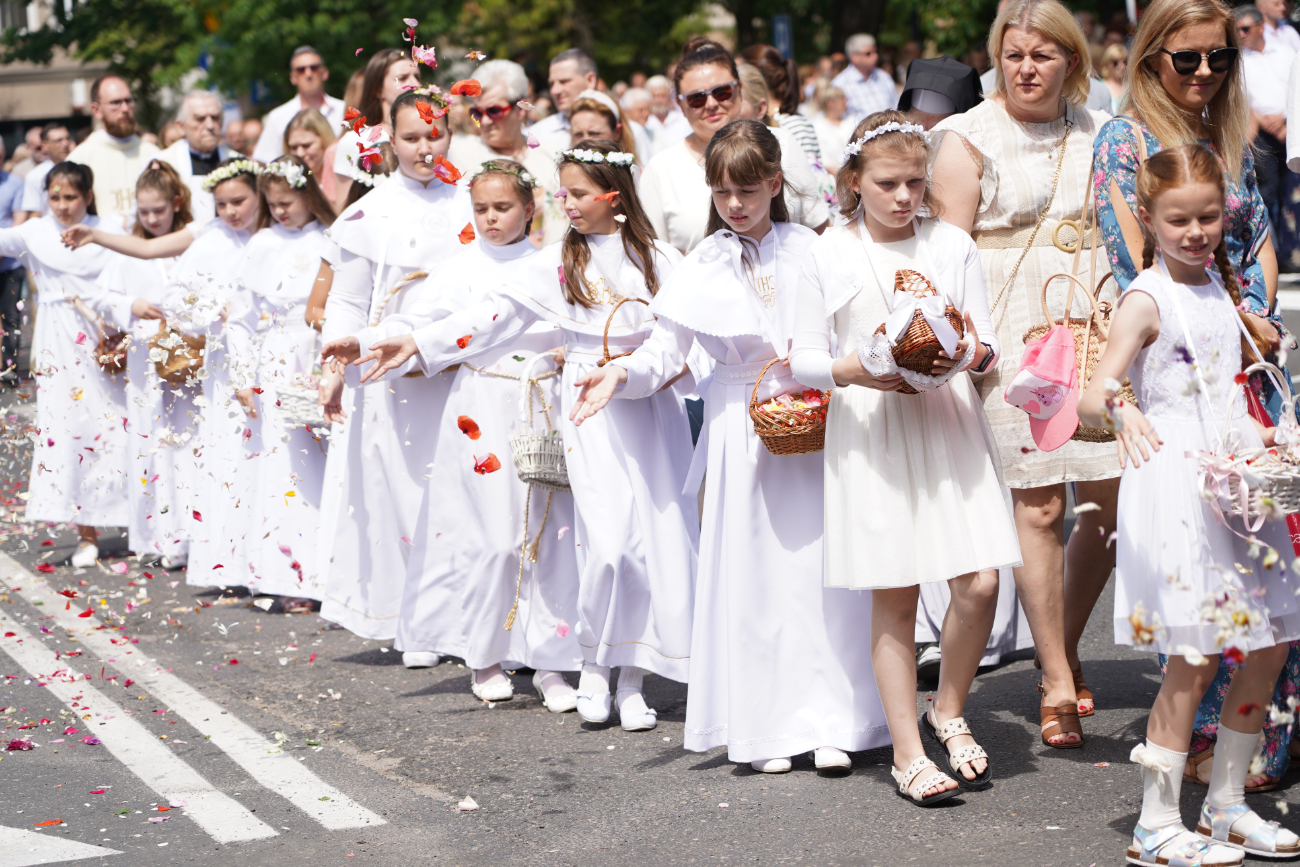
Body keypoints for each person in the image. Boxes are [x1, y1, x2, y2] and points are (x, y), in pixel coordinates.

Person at [326, 139, 699, 731]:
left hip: (646, 410)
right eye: (563, 194)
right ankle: (595, 666)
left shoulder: (661, 259)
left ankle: (632, 678)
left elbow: (679, 340)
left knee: (647, 547)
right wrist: (408, 341)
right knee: (603, 547)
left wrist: (636, 371)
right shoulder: (555, 264)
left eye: (578, 193)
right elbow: (487, 318)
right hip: (585, 412)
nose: (568, 205)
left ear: (614, 192)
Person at [570, 119, 890, 772]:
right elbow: (667, 348)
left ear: (775, 182)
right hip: (737, 426)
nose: (736, 205)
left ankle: (836, 717)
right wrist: (622, 372)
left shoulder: (813, 247)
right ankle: (767, 726)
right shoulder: (702, 262)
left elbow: (845, 326)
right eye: (722, 193)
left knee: (823, 571)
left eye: (748, 189)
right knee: (756, 578)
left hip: (813, 416)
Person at [1094, 0, 1300, 794]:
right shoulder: (1126, 141)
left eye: (1220, 58)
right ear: (1151, 59)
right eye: (1188, 60)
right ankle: (1199, 759)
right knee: (1204, 585)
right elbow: (1133, 260)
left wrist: (1258, 312)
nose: (1206, 73)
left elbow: (1255, 238)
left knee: (1268, 565)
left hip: (1246, 360)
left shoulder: (1230, 129)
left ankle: (1256, 746)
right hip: (1179, 357)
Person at [789, 112, 1019, 804]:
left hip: (947, 417)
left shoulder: (950, 243)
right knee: (895, 591)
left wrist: (965, 353)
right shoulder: (826, 251)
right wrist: (853, 369)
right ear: (854, 181)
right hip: (873, 425)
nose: (903, 196)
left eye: (915, 182)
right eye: (887, 183)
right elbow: (801, 355)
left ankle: (947, 706)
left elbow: (986, 341)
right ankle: (908, 751)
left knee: (978, 581)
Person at [929, 0, 1119, 745]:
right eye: (1014, 55)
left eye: (1043, 55)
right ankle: (1055, 675)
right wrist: (966, 351)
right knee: (1039, 507)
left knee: (1107, 504)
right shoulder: (965, 136)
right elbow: (947, 257)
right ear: (996, 60)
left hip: (1098, 325)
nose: (1028, 68)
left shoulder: (1104, 132)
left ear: (1071, 60)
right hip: (1013, 335)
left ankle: (1062, 643)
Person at [343, 159, 582, 707]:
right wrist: (372, 339)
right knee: (494, 538)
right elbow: (421, 325)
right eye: (481, 209)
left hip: (541, 404)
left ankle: (550, 660)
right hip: (482, 410)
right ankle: (485, 654)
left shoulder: (555, 262)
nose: (492, 219)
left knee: (550, 535)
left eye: (503, 208)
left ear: (530, 208)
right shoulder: (459, 268)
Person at [312, 88, 471, 645]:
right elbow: (348, 301)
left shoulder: (473, 199)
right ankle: (417, 623)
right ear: (389, 138)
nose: (425, 148)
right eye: (411, 138)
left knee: (465, 489)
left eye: (435, 135)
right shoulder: (369, 211)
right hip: (390, 369)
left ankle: (473, 620)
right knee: (405, 491)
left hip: (460, 365)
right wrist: (334, 364)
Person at [0, 162, 129, 566]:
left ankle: (135, 522)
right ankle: (86, 532)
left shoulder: (111, 229)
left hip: (105, 336)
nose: (62, 205)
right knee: (70, 432)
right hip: (59, 341)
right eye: (54, 197)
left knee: (118, 428)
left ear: (87, 196)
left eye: (71, 196)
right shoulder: (35, 232)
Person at [227, 155, 337, 607]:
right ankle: (284, 574)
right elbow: (241, 315)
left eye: (288, 201)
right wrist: (240, 372)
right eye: (272, 205)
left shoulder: (329, 238)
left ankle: (323, 573)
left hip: (316, 352)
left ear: (308, 194)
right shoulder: (263, 244)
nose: (281, 212)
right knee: (282, 465)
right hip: (274, 358)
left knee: (320, 464)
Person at [88, 161, 195, 568]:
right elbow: (99, 297)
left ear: (176, 204)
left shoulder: (189, 244)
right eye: (144, 212)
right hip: (146, 363)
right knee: (152, 442)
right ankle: (157, 535)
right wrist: (128, 305)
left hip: (188, 358)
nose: (151, 220)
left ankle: (192, 532)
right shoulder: (127, 254)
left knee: (188, 443)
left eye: (159, 211)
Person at [640, 39, 829, 255]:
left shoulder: (782, 143)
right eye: (696, 98)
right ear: (681, 107)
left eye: (721, 92)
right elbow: (653, 256)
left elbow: (819, 229)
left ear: (739, 92)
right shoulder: (661, 169)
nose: (711, 104)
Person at [446, 59, 567, 246]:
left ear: (521, 109)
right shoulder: (460, 158)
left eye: (494, 111)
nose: (485, 121)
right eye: (478, 112)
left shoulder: (553, 153)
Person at [330, 48, 421, 211]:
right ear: (377, 89)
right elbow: (343, 212)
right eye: (403, 78)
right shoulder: (355, 141)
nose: (415, 84)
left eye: (417, 76)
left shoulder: (429, 137)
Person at [1235, 5, 1292, 240]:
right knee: (1268, 191)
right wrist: (1264, 121)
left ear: (1260, 27)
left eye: (1246, 29)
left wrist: (1284, 119)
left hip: (1290, 127)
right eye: (1237, 30)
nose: (1241, 34)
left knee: (1291, 192)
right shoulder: (1239, 62)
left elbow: (1295, 88)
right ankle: (1276, 247)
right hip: (1260, 133)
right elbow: (1242, 99)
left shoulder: (1285, 53)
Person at [66, 75, 160, 218]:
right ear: (96, 110)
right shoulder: (79, 158)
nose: (125, 108)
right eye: (115, 103)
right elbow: (59, 196)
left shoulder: (152, 153)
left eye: (129, 101)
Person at [252, 46, 346, 165]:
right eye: (301, 69)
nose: (308, 74)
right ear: (292, 77)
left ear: (325, 73)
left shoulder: (345, 110)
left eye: (314, 67)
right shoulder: (277, 117)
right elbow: (266, 162)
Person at [155, 90, 235, 226]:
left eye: (215, 117)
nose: (210, 126)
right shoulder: (162, 163)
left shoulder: (238, 162)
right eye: (200, 119)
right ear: (180, 126)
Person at [741, 44, 822, 164]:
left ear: (755, 78)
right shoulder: (759, 121)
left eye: (738, 74)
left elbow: (811, 176)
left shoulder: (795, 125)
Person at [529, 49, 600, 153]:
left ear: (590, 80)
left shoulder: (627, 131)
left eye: (564, 81)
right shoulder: (536, 135)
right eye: (551, 84)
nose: (554, 90)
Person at [830, 34, 898, 123]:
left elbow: (897, 106)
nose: (875, 56)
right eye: (868, 53)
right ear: (854, 57)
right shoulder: (839, 84)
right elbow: (837, 118)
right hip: (858, 134)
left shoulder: (884, 77)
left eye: (875, 52)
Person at [0, 141, 25, 380]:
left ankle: (8, 368)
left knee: (11, 318)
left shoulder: (14, 183)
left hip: (9, 265)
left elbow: (20, 219)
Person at [18, 124, 73, 223]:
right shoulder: (35, 176)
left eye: (67, 138)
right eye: (59, 140)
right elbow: (35, 215)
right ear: (44, 145)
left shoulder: (82, 167)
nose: (65, 144)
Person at [567, 90, 640, 163]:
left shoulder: (637, 173)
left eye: (594, 133)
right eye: (578, 134)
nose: (585, 141)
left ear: (617, 132)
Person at [283, 109, 337, 205]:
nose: (300, 153)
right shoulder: (286, 182)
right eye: (293, 147)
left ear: (325, 140)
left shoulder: (343, 175)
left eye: (306, 145)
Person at [812, 86, 856, 173]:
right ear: (830, 103)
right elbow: (820, 158)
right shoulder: (816, 125)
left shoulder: (852, 120)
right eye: (842, 99)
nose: (846, 101)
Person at [644, 74, 692, 151]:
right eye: (654, 96)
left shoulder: (683, 120)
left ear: (669, 97)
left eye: (663, 96)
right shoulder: (644, 124)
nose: (659, 100)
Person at [1101, 44, 1128, 113]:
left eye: (1125, 62)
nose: (1122, 66)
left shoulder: (1131, 88)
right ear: (1107, 64)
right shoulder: (1099, 86)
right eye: (1116, 63)